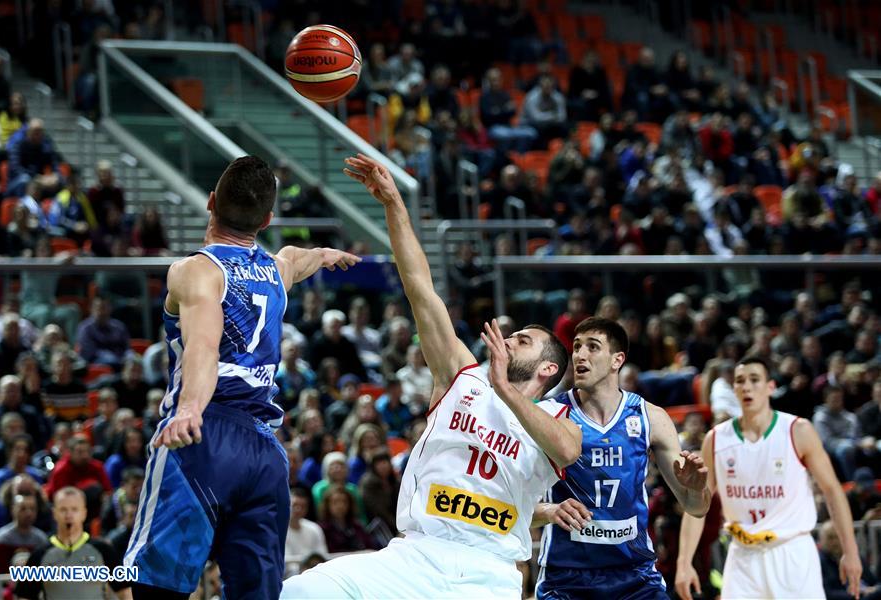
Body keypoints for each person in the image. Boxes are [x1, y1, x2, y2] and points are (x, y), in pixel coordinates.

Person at [279, 155, 580, 598]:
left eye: (523, 339)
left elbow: (567, 451)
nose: (509, 339)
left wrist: (506, 392)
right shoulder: (462, 374)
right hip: (416, 555)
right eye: (511, 335)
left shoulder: (558, 415)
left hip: (488, 572)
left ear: (548, 368)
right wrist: (394, 206)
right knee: (299, 593)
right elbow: (419, 286)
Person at [122, 156, 359, 600]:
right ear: (267, 219)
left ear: (211, 202)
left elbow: (204, 347)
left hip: (205, 438)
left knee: (156, 587)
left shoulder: (197, 270)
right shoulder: (276, 270)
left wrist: (190, 408)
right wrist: (326, 255)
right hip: (267, 455)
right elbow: (297, 258)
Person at [533, 317, 710, 599]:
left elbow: (695, 507)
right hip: (567, 579)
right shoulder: (549, 414)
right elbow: (513, 505)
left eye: (592, 347)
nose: (579, 354)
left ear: (617, 360)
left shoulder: (650, 417)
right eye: (577, 346)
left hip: (635, 577)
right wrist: (548, 511)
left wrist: (698, 487)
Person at [675, 357, 862, 600]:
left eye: (755, 380)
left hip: (792, 553)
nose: (747, 386)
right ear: (734, 390)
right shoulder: (716, 439)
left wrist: (851, 551)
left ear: (770, 387)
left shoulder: (798, 430)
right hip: (743, 556)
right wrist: (684, 562)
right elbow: (697, 506)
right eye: (740, 381)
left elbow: (833, 491)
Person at [15, 486, 132, 600]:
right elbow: (25, 596)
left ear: (84, 513)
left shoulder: (104, 550)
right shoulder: (39, 555)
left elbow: (125, 593)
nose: (68, 515)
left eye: (74, 509)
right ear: (54, 513)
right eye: (63, 509)